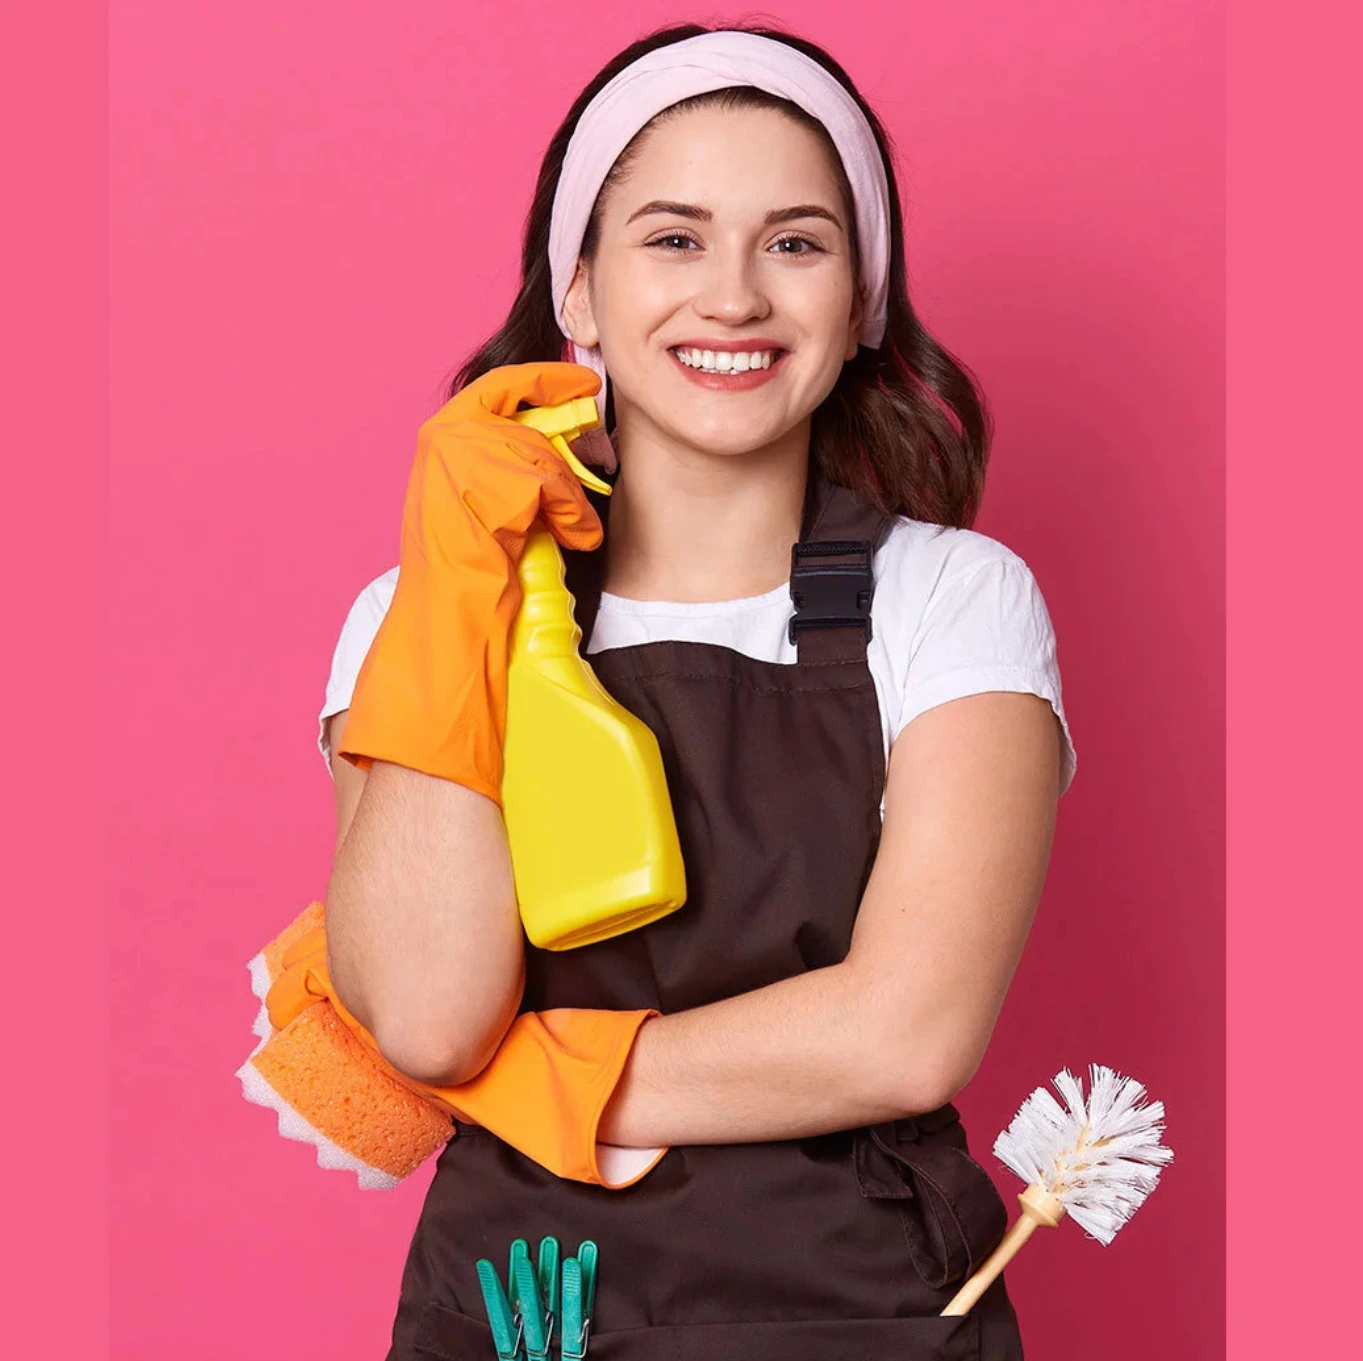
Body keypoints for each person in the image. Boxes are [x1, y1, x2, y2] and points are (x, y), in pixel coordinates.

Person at [318, 22, 1076, 1360]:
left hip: (867, 1314)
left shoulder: (951, 598)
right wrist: (459, 584)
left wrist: (542, 1079)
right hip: (519, 1314)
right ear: (580, 294)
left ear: (862, 304)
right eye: (672, 239)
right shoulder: (415, 617)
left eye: (795, 243)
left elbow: (902, 1035)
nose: (731, 296)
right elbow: (430, 1013)